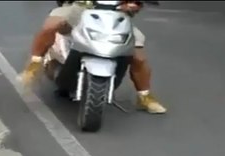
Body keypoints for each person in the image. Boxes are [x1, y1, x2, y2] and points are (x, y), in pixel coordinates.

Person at [20, 0, 167, 114]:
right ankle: (34, 64)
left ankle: (144, 96)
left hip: (114, 16)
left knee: (138, 55)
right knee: (51, 25)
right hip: (79, 9)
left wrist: (133, 5)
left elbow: (135, 5)